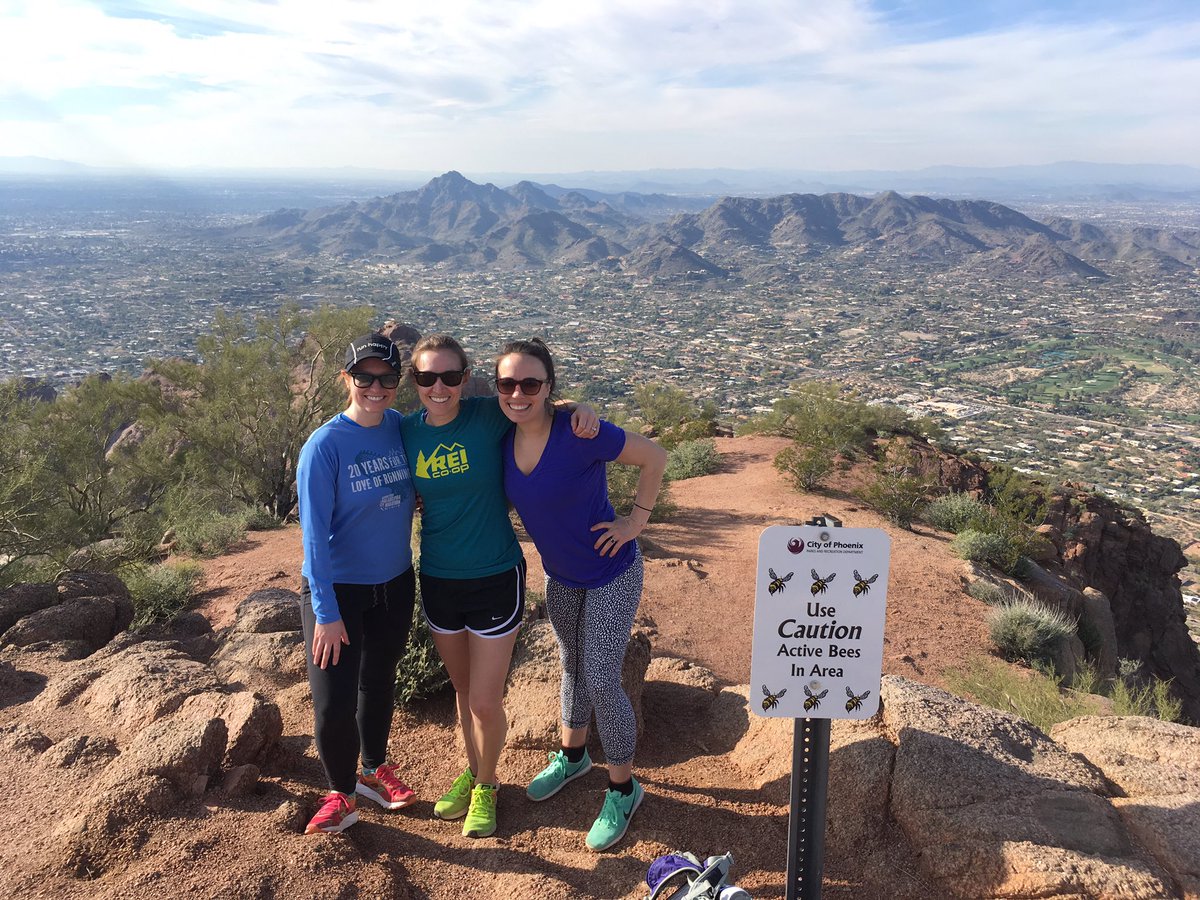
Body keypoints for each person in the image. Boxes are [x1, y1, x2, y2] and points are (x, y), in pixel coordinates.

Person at [399, 334, 598, 839]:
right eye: (426, 377)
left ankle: (487, 786)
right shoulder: (404, 432)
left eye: (449, 376)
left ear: (466, 379)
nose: (438, 387)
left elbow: (534, 402)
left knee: (486, 700)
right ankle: (474, 769)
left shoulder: (487, 415)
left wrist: (583, 408)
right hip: (439, 577)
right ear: (414, 382)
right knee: (464, 694)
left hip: (495, 575)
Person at [494, 338, 667, 852]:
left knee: (601, 676)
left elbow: (654, 456)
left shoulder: (578, 431)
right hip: (561, 575)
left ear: (549, 388)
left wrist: (635, 521)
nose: (518, 393)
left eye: (531, 383)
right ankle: (573, 758)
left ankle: (624, 788)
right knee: (570, 664)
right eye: (508, 384)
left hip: (612, 572)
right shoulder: (501, 435)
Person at [296, 332, 419, 835]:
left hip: (394, 581)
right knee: (334, 697)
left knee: (379, 681)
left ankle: (373, 770)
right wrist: (325, 612)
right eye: (364, 377)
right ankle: (341, 792)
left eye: (387, 378)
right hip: (338, 589)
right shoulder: (325, 446)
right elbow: (312, 540)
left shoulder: (400, 428)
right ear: (346, 379)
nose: (376, 386)